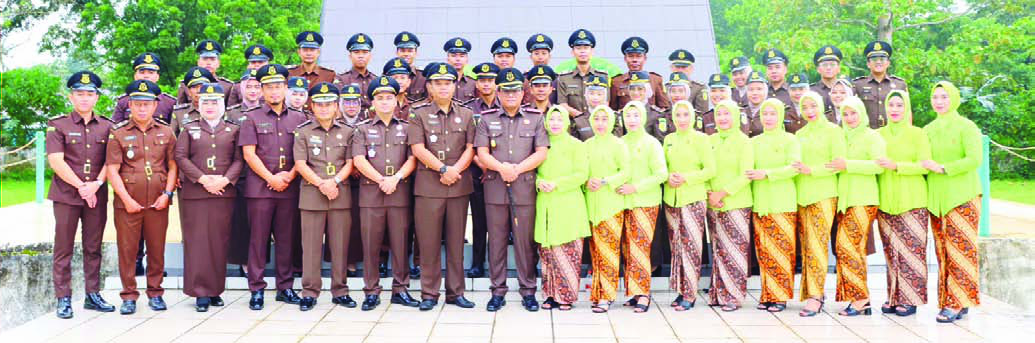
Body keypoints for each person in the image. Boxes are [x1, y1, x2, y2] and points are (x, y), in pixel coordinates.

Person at [475, 67, 550, 312]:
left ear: (522, 92)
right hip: (495, 188)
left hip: (524, 188)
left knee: (524, 242)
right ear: (498, 92)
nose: (510, 95)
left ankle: (528, 290)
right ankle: (497, 291)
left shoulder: (536, 117)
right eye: (505, 91)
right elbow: (482, 153)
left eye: (515, 90)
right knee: (496, 241)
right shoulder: (487, 119)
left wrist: (516, 169)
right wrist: (502, 168)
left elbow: (541, 152)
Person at [407, 63, 477, 311]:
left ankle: (456, 292)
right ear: (430, 87)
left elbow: (471, 147)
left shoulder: (467, 114)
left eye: (447, 83)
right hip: (429, 187)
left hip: (458, 186)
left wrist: (455, 170)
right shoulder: (418, 113)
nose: (443, 87)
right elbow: (417, 148)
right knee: (428, 242)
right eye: (438, 83)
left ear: (454, 85)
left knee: (456, 242)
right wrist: (443, 169)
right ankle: (429, 293)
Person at [47, 71, 117, 319]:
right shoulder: (58, 125)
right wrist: (81, 186)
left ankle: (92, 294)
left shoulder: (108, 126)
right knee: (63, 247)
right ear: (71, 96)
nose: (85, 98)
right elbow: (56, 161)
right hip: (67, 195)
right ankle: (63, 298)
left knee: (93, 247)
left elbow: (112, 161)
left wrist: (96, 184)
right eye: (80, 94)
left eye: (89, 94)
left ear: (97, 97)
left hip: (96, 195)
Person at [106, 79, 178, 315]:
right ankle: (128, 295)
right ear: (130, 105)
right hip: (127, 202)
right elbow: (112, 170)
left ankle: (155, 293)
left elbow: (172, 165)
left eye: (147, 104)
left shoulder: (166, 132)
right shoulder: (118, 133)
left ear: (155, 106)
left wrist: (168, 194)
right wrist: (126, 200)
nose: (142, 109)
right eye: (137, 104)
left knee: (157, 249)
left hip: (158, 201)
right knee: (127, 250)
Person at [238, 64, 307, 310]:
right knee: (258, 239)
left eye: (278, 86)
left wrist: (288, 176)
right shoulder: (251, 117)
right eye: (269, 87)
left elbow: (303, 154)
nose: (274, 91)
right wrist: (271, 178)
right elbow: (249, 154)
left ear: (286, 88)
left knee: (287, 239)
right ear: (262, 90)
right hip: (260, 189)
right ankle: (256, 288)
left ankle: (285, 287)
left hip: (289, 187)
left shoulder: (300, 118)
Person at [351, 76, 421, 310]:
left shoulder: (407, 128)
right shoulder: (362, 129)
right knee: (371, 244)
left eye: (389, 98)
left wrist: (396, 178)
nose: (384, 102)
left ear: (396, 100)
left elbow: (413, 158)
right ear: (372, 102)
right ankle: (371, 291)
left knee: (401, 243)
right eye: (380, 98)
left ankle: (400, 289)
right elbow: (358, 160)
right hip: (372, 194)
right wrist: (382, 179)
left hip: (399, 193)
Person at [173, 83, 243, 312]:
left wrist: (224, 180)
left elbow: (239, 160)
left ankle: (215, 290)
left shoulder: (233, 129)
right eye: (206, 102)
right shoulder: (188, 129)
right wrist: (203, 179)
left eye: (215, 102)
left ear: (223, 106)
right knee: (197, 243)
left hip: (223, 193)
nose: (210, 106)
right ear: (199, 105)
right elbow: (181, 157)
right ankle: (200, 292)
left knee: (219, 242)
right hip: (196, 195)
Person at [292, 82, 357, 311]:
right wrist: (321, 183)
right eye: (319, 104)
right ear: (312, 106)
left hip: (340, 193)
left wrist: (335, 182)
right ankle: (309, 292)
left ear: (336, 106)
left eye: (329, 104)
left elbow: (351, 162)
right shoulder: (303, 131)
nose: (324, 108)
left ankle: (340, 290)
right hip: (312, 195)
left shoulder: (348, 132)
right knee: (310, 247)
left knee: (340, 246)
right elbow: (300, 163)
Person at [923, 81, 982, 323]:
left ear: (954, 99)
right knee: (943, 252)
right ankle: (958, 299)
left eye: (944, 97)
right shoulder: (927, 129)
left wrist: (944, 168)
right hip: (937, 199)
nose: (939, 102)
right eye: (935, 97)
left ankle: (955, 303)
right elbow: (923, 161)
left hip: (962, 197)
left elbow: (974, 159)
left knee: (962, 251)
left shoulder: (966, 127)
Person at [875, 89, 931, 317]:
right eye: (891, 105)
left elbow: (924, 165)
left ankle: (911, 300)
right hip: (886, 201)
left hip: (913, 200)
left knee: (912, 252)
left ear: (906, 108)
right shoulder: (878, 134)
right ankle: (893, 296)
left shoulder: (918, 134)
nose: (895, 110)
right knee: (891, 252)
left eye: (899, 105)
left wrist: (897, 165)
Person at [828, 96, 886, 316]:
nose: (850, 118)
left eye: (854, 113)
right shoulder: (841, 136)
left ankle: (860, 298)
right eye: (846, 114)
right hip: (845, 200)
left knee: (846, 245)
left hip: (864, 199)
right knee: (852, 249)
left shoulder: (872, 137)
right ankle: (862, 298)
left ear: (862, 113)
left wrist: (848, 165)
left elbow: (879, 166)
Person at [792, 91, 846, 317]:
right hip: (802, 196)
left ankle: (816, 296)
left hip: (824, 194)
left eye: (813, 106)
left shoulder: (833, 131)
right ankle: (810, 293)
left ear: (822, 106)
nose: (810, 112)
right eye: (805, 108)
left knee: (817, 245)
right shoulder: (800, 133)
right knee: (806, 247)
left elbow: (838, 164)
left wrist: (810, 170)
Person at [747, 98, 801, 313]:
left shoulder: (790, 140)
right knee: (765, 251)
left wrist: (767, 174)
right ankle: (767, 293)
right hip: (761, 202)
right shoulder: (754, 142)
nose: (769, 118)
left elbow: (793, 168)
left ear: (780, 115)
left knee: (782, 250)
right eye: (765, 114)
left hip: (782, 202)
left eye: (773, 114)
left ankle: (780, 296)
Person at [534, 105, 590, 311]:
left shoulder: (576, 145)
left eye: (559, 119)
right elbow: (533, 171)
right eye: (552, 119)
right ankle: (550, 294)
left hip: (568, 202)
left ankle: (566, 296)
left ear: (566, 122)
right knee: (548, 252)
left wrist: (557, 183)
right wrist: (539, 182)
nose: (555, 123)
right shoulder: (541, 145)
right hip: (546, 201)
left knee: (567, 251)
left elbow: (581, 174)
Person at [662, 100, 715, 311]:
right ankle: (680, 289)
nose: (681, 119)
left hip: (693, 198)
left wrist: (686, 178)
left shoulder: (701, 139)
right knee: (676, 247)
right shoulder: (669, 139)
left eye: (685, 115)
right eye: (678, 115)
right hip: (671, 199)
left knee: (691, 246)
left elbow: (710, 170)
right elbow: (663, 167)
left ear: (692, 117)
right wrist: (668, 177)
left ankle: (691, 294)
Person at [617, 101, 667, 313]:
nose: (632, 120)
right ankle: (634, 291)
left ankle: (644, 294)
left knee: (641, 247)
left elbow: (661, 174)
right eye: (628, 116)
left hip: (645, 202)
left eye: (636, 116)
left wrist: (635, 187)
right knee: (628, 248)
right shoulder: (620, 142)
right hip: (622, 203)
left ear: (643, 118)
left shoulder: (651, 143)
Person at [705, 100, 754, 312]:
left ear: (735, 116)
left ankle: (734, 296)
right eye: (719, 114)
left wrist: (722, 193)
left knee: (735, 249)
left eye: (727, 114)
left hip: (736, 201)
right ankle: (718, 293)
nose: (723, 118)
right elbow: (704, 168)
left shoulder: (744, 141)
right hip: (713, 202)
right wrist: (710, 193)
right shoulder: (710, 140)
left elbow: (746, 174)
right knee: (718, 249)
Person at [583, 105, 630, 313]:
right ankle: (598, 292)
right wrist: (587, 181)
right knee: (596, 252)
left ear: (611, 121)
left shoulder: (618, 144)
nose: (600, 123)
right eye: (597, 119)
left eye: (604, 119)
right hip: (591, 204)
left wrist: (604, 181)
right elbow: (581, 170)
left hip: (611, 203)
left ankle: (607, 296)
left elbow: (626, 171)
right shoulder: (586, 145)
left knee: (609, 251)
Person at [464, 62, 499, 278]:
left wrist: (495, 166)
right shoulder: (469, 109)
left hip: (500, 171)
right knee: (479, 220)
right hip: (476, 171)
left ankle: (498, 263)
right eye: (482, 80)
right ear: (477, 83)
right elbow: (466, 141)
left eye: (490, 80)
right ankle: (478, 262)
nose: (486, 84)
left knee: (500, 222)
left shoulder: (505, 104)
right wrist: (481, 162)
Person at [556, 29, 609, 122]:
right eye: (578, 48)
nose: (582, 51)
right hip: (573, 127)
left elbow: (605, 103)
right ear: (572, 52)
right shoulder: (564, 78)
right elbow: (562, 104)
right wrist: (581, 119)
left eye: (586, 48)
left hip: (597, 125)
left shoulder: (602, 77)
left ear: (592, 51)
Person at [852, 41, 907, 129]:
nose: (878, 62)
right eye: (874, 59)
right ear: (868, 64)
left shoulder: (899, 85)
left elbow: (907, 113)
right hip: (868, 135)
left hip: (892, 134)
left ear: (888, 63)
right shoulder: (858, 85)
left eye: (882, 59)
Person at [113, 53, 177, 123]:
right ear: (135, 76)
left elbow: (174, 130)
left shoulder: (169, 103)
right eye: (142, 72)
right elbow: (115, 128)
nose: (146, 76)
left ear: (157, 76)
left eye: (151, 72)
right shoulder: (124, 101)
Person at [610, 37, 669, 110]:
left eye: (639, 56)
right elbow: (612, 110)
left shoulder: (655, 80)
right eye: (630, 56)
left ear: (645, 58)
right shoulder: (617, 82)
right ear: (625, 58)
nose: (634, 60)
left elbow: (664, 108)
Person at [176, 40, 236, 107]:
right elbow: (180, 111)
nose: (208, 63)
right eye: (205, 59)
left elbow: (231, 111)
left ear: (218, 63)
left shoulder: (228, 86)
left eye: (212, 59)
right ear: (198, 62)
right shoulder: (185, 85)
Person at [335, 33, 378, 108]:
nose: (361, 56)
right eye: (356, 52)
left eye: (365, 52)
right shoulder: (341, 79)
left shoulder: (376, 80)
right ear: (350, 56)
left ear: (370, 56)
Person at [171, 67, 216, 135]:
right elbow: (173, 139)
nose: (198, 91)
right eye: (194, 87)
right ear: (189, 91)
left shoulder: (219, 111)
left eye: (202, 86)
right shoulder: (179, 113)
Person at [568, 74, 609, 141]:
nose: (595, 97)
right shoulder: (578, 121)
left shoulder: (614, 120)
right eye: (591, 93)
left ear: (605, 96)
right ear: (585, 95)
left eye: (599, 94)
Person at [667, 49, 708, 113]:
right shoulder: (665, 88)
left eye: (684, 67)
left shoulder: (699, 88)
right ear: (671, 68)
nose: (680, 70)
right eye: (677, 67)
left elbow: (702, 113)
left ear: (691, 68)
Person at [393, 31, 427, 101]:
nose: (406, 54)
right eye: (402, 50)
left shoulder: (423, 77)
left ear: (416, 53)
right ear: (396, 52)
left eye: (410, 51)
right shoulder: (388, 76)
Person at [811, 45, 843, 115]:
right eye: (825, 65)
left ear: (839, 68)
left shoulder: (848, 89)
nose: (828, 68)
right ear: (818, 69)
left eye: (832, 64)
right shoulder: (811, 91)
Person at [444, 37, 477, 102]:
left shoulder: (473, 83)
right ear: (448, 59)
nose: (458, 59)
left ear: (467, 59)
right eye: (453, 56)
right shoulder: (442, 82)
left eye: (462, 56)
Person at [740, 71, 768, 137]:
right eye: (751, 89)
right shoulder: (740, 111)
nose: (755, 93)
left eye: (759, 89)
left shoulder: (772, 111)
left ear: (766, 91)